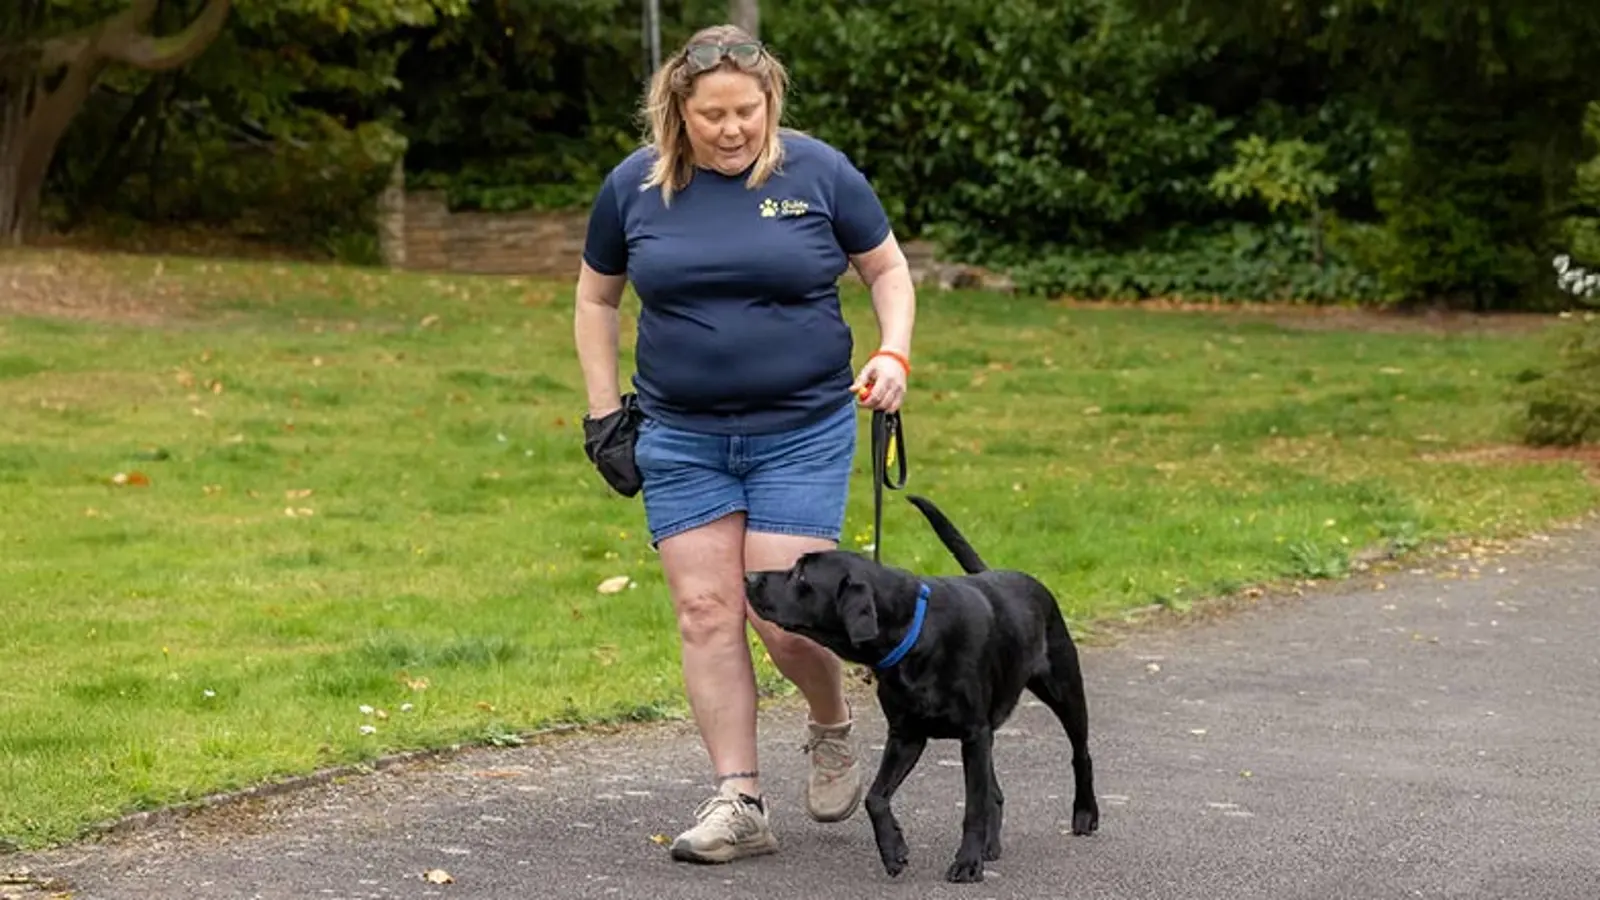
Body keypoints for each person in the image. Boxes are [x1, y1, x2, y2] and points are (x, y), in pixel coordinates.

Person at [571, 23, 918, 865]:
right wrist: (601, 413)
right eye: (712, 115)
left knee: (790, 625)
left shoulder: (819, 172)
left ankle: (831, 722)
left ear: (771, 103)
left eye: (747, 112)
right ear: (677, 113)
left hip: (800, 430)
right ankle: (741, 800)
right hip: (681, 435)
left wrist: (892, 350)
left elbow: (887, 269)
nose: (732, 130)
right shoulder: (634, 187)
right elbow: (594, 300)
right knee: (704, 612)